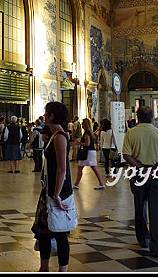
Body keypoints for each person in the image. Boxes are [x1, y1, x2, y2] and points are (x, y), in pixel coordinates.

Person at [122, 106, 158, 258]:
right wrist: (157, 166)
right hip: (156, 175)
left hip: (138, 174)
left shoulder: (131, 133)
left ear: (138, 117)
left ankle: (143, 239)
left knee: (140, 206)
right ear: (151, 117)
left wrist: (140, 166)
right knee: (156, 211)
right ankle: (156, 246)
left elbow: (126, 155)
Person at [32, 101, 73, 272]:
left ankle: (62, 270)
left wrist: (56, 195)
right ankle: (44, 267)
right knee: (44, 232)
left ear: (52, 116)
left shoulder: (60, 137)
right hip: (49, 189)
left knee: (60, 231)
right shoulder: (54, 135)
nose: (43, 115)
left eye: (46, 112)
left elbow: (63, 169)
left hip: (59, 191)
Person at [73, 118, 106, 190]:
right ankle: (101, 183)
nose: (81, 125)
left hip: (87, 153)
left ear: (85, 125)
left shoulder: (86, 133)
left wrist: (79, 143)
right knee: (92, 168)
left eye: (82, 123)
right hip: (91, 152)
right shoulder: (90, 132)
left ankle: (76, 184)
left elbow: (87, 144)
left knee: (81, 168)